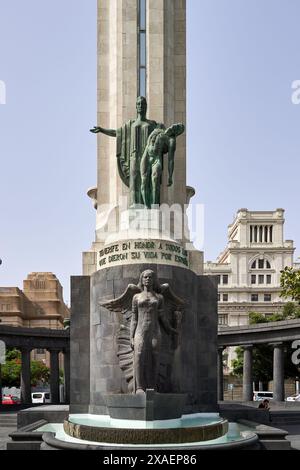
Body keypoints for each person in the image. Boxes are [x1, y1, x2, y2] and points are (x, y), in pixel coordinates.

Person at [90, 96, 158, 206]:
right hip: (134, 157)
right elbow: (117, 133)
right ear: (136, 107)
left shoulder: (152, 124)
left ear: (146, 106)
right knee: (134, 180)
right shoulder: (130, 125)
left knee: (146, 180)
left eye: (143, 104)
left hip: (147, 157)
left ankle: (147, 204)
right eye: (139, 104)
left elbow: (162, 137)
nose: (141, 106)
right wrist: (102, 130)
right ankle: (135, 204)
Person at [130, 270, 178, 394]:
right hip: (140, 332)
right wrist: (131, 337)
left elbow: (162, 317)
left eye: (150, 277)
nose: (147, 279)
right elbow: (134, 319)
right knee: (139, 355)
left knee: (155, 358)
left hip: (155, 331)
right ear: (142, 279)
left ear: (154, 280)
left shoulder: (159, 297)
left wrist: (171, 329)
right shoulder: (136, 297)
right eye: (145, 277)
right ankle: (139, 387)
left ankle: (152, 387)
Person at [140, 123, 185, 208]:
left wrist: (170, 176)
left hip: (156, 160)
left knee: (155, 180)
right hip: (146, 157)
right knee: (143, 181)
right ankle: (146, 206)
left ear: (176, 132)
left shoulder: (171, 140)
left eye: (177, 127)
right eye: (176, 125)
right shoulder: (159, 128)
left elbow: (171, 160)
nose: (174, 126)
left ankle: (154, 206)